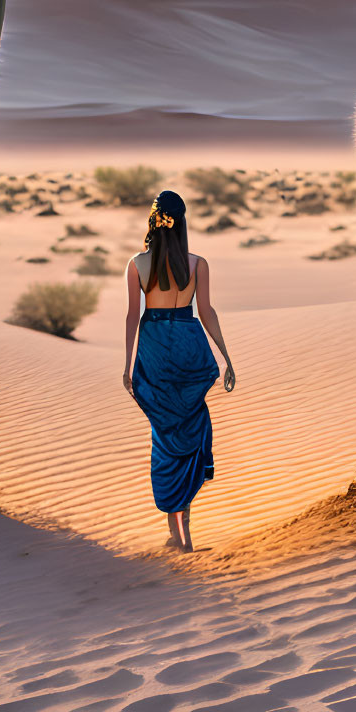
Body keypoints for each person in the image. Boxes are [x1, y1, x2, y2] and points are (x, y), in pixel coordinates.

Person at [122, 189, 235, 552]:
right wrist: (225, 356)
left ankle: (176, 534)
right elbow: (206, 311)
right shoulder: (197, 263)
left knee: (165, 437)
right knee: (191, 432)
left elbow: (131, 317)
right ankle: (184, 531)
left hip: (155, 350)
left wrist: (127, 365)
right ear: (182, 222)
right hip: (188, 346)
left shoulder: (137, 265)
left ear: (152, 221)